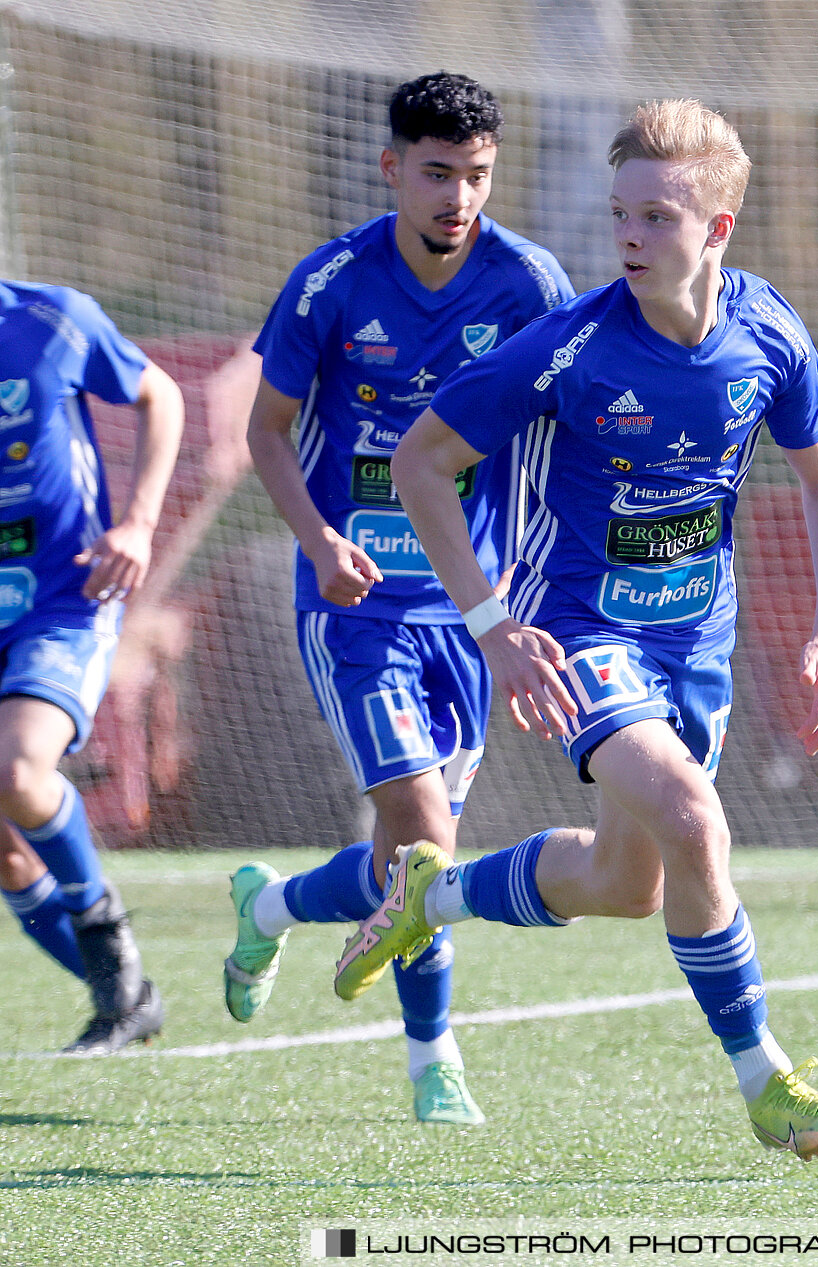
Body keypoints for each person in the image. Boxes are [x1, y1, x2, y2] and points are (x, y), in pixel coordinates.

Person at [338, 98, 818, 1158]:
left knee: (629, 884)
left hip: (694, 649)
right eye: (621, 214)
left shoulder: (769, 331)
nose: (630, 236)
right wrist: (492, 627)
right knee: (696, 817)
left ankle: (435, 897)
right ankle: (769, 1080)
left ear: (716, 230)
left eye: (658, 218)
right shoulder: (571, 346)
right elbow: (420, 464)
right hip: (584, 636)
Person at [225, 71, 575, 1125]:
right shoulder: (331, 282)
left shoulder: (531, 285)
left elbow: (562, 434)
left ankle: (272, 904)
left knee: (408, 863)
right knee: (424, 839)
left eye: (474, 176)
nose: (456, 197)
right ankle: (435, 1062)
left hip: (475, 614)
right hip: (358, 607)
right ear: (392, 169)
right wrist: (321, 538)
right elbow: (266, 430)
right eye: (435, 173)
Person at [0, 278, 185, 1054]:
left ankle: (108, 945)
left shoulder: (53, 317)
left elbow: (160, 395)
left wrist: (138, 522)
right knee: (8, 850)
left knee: (17, 773)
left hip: (61, 597)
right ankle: (129, 999)